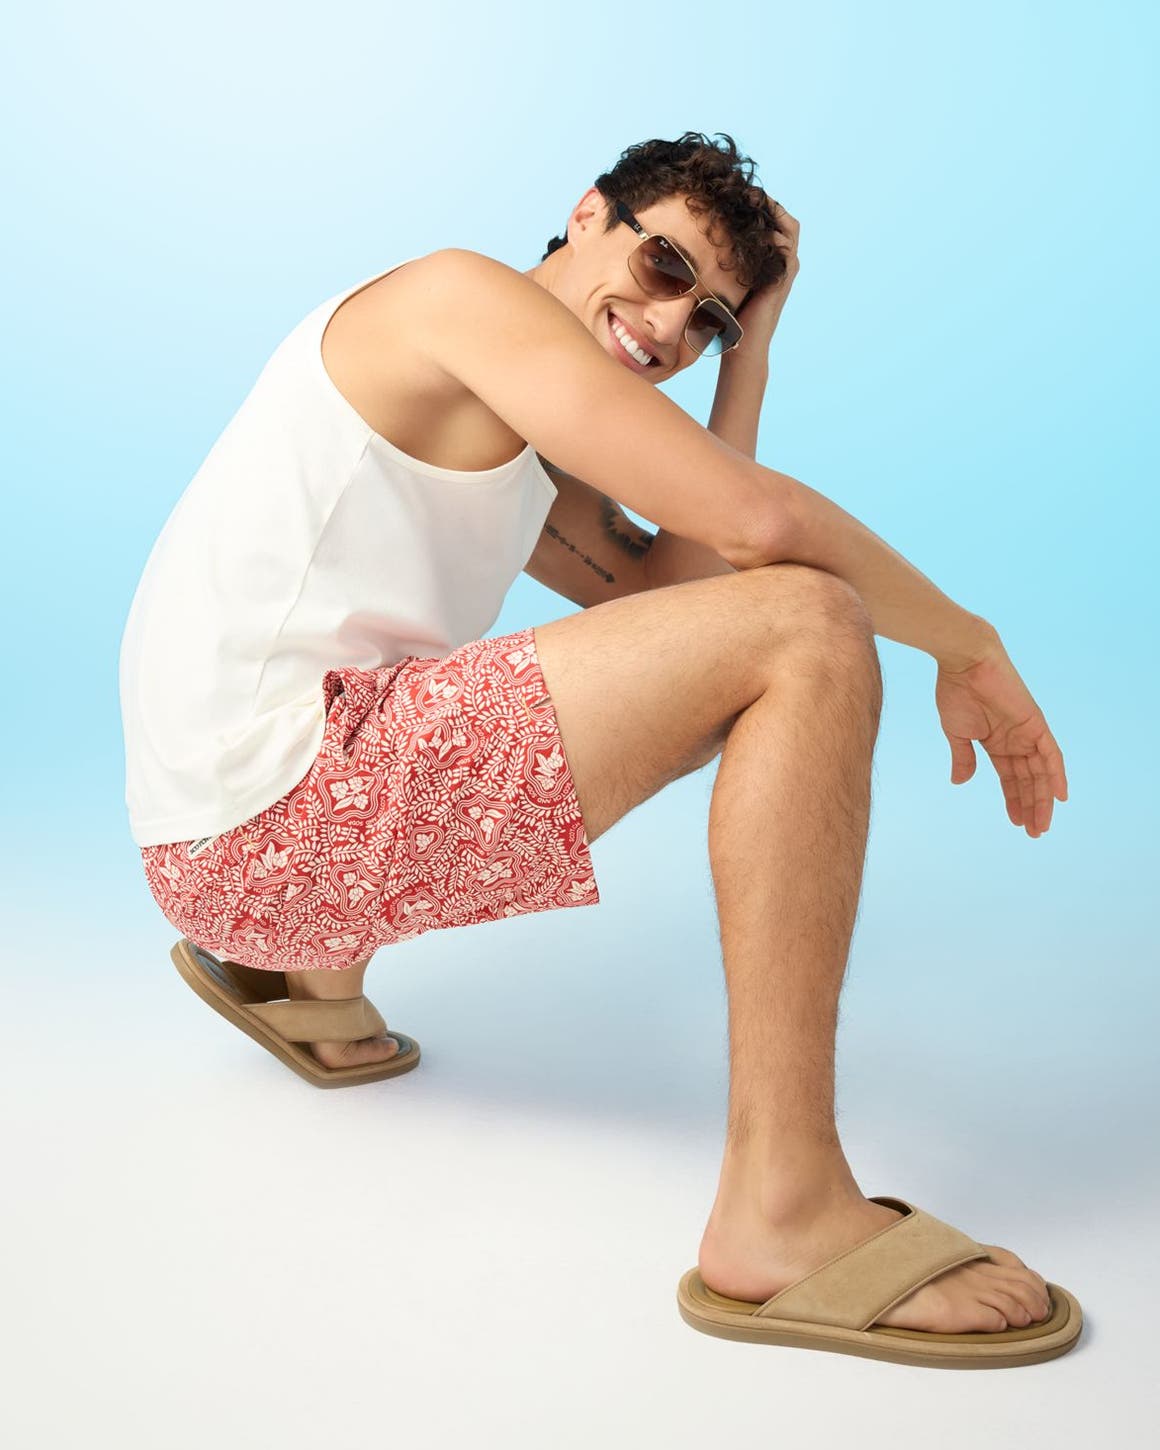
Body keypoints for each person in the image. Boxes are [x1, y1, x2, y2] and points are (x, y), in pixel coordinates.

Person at [120, 132, 1079, 1366]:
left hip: (228, 848)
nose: (671, 326)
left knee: (761, 621)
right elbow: (757, 529)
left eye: (708, 320)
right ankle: (781, 1208)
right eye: (664, 264)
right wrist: (968, 646)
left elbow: (669, 606)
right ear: (586, 215)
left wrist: (751, 358)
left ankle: (307, 973)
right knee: (811, 626)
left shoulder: (512, 426)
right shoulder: (460, 297)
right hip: (270, 827)